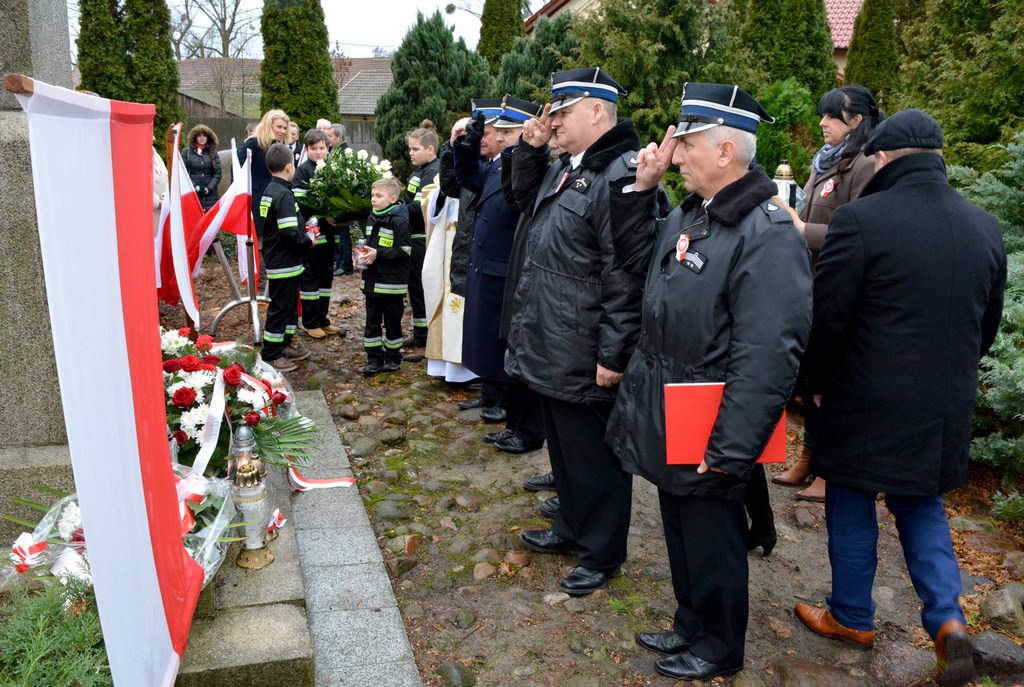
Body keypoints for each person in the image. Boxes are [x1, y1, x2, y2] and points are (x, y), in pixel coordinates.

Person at [604, 82, 812, 680]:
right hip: (672, 400)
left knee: (714, 535)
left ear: (726, 152)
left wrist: (732, 448)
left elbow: (769, 355)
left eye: (687, 141)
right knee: (678, 520)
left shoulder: (766, 232)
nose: (675, 150)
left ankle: (720, 644)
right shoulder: (695, 211)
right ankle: (690, 620)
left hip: (713, 417)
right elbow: (635, 259)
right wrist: (642, 189)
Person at [793, 109, 1006, 687]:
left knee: (852, 499)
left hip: (864, 396)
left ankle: (852, 616)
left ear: (881, 159)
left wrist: (812, 382)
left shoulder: (862, 221)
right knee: (921, 503)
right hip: (942, 401)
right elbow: (985, 327)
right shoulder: (984, 226)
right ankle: (948, 621)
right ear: (938, 158)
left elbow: (829, 317)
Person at [505, 67, 643, 597]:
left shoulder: (621, 176)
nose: (552, 120)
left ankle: (602, 551)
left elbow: (625, 272)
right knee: (564, 450)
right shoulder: (573, 166)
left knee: (596, 458)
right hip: (553, 336)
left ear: (597, 112)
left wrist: (614, 352)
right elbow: (526, 205)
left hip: (585, 344)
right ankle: (570, 526)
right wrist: (533, 150)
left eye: (562, 112)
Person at [772, 85, 885, 503]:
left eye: (831, 117)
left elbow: (865, 229)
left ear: (855, 121)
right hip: (813, 284)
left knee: (832, 383)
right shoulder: (826, 162)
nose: (822, 123)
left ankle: (827, 470)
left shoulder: (866, 165)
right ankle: (808, 456)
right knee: (810, 379)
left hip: (842, 287)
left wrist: (803, 231)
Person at [454, 96, 546, 454]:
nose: (492, 138)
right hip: (488, 266)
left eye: (497, 132)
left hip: (505, 268)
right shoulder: (495, 166)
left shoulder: (520, 165)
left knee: (505, 351)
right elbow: (466, 177)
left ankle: (515, 417)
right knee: (493, 348)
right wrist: (465, 145)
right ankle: (511, 416)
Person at [420, 117, 477, 384]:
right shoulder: (444, 166)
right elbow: (430, 202)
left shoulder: (480, 166)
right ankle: (444, 367)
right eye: (458, 134)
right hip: (446, 245)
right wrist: (442, 193)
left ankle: (467, 369)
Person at [258, 142, 314, 373]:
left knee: (290, 306)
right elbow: (289, 231)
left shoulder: (271, 191)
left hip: (283, 260)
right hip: (284, 261)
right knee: (281, 307)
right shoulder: (283, 195)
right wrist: (307, 240)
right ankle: (271, 353)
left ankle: (286, 343)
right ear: (290, 167)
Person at [358, 177, 413, 377]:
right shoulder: (373, 217)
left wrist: (378, 254)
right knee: (372, 321)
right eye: (372, 195)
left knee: (392, 321)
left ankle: (392, 357)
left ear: (392, 199)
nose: (373, 199)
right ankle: (373, 358)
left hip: (391, 285)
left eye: (378, 196)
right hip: (372, 282)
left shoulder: (399, 221)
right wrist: (363, 255)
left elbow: (404, 251)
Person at [292, 128, 343, 340]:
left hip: (331, 235)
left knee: (326, 278)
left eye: (322, 148)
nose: (319, 152)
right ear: (306, 149)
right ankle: (310, 321)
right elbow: (301, 204)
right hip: (312, 238)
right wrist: (323, 216)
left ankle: (323, 319)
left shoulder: (333, 168)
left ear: (328, 147)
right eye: (314, 149)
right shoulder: (303, 171)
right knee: (311, 279)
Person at [401, 120, 442, 355]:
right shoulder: (419, 171)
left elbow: (421, 207)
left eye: (415, 149)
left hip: (422, 239)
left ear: (430, 149)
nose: (410, 153)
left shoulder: (433, 172)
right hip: (412, 239)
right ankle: (419, 335)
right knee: (414, 289)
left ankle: (426, 339)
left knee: (422, 288)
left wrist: (394, 209)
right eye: (410, 149)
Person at [238, 109, 291, 290]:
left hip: (276, 200)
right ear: (269, 125)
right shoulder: (254, 144)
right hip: (258, 201)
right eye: (279, 126)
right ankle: (260, 286)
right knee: (260, 244)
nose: (282, 131)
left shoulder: (281, 147)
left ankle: (270, 285)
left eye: (285, 127)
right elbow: (238, 166)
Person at [182, 124, 222, 212]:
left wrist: (209, 188)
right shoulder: (186, 152)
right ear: (195, 137)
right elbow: (183, 173)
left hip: (211, 197)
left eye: (204, 135)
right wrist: (195, 187)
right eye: (199, 135)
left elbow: (217, 173)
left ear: (208, 137)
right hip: (192, 195)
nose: (202, 138)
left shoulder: (213, 153)